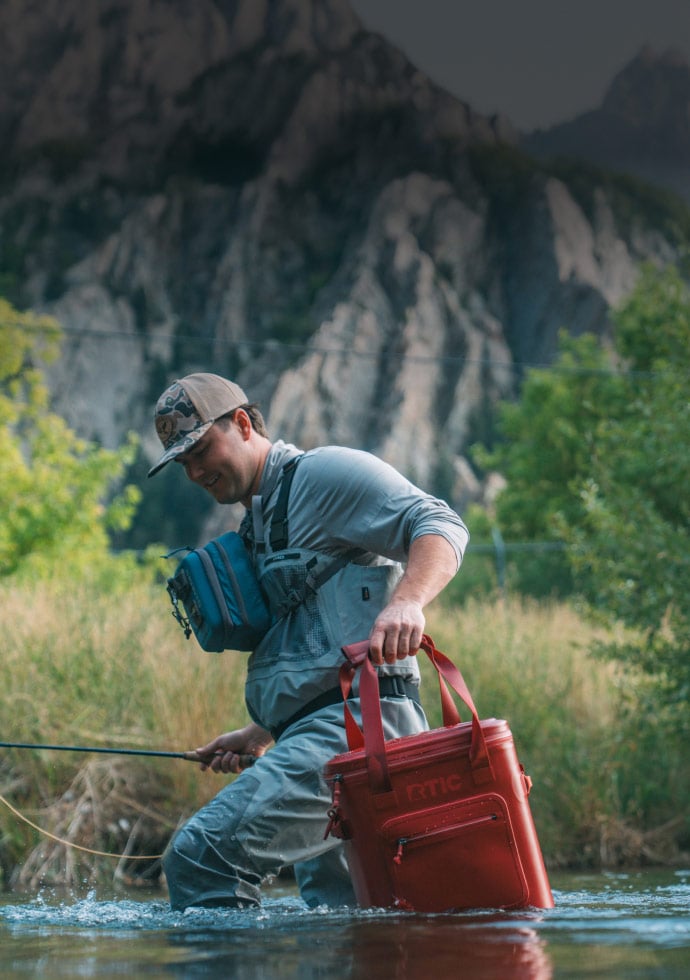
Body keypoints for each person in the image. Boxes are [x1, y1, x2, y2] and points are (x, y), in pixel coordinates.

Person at [148, 372, 469, 910]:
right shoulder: (255, 525)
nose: (196, 471)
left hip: (361, 731)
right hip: (315, 737)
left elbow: (440, 522)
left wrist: (408, 600)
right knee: (345, 927)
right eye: (183, 462)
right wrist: (259, 732)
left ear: (243, 423)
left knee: (201, 855)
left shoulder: (325, 475)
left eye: (201, 449)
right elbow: (317, 643)